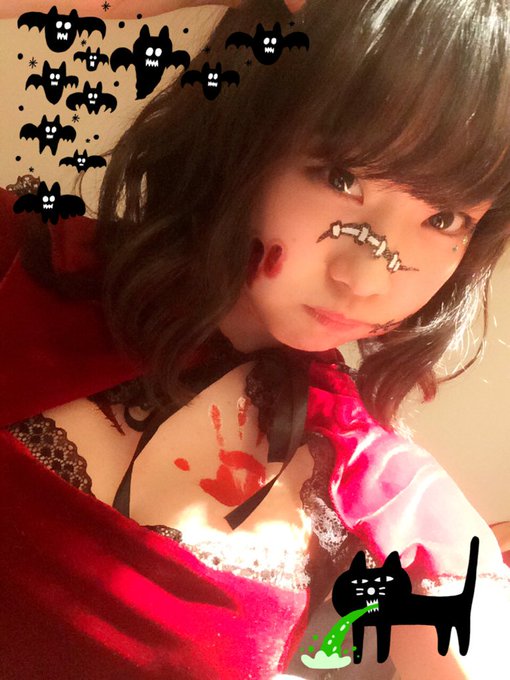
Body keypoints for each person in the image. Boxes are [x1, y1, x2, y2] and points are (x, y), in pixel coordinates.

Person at [0, 0, 509, 678]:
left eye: (444, 218)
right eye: (341, 178)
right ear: (250, 130)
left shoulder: (372, 477)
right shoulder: (27, 261)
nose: (363, 278)